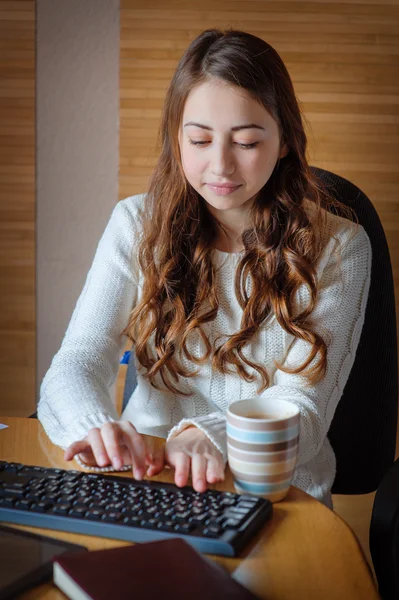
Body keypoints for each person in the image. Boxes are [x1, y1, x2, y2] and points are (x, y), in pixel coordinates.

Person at [38, 28, 371, 509]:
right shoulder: (136, 224)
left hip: (275, 493)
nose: (221, 166)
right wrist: (97, 427)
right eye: (199, 139)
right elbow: (77, 361)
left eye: (247, 142)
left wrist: (209, 433)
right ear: (178, 139)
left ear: (284, 142)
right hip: (149, 477)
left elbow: (305, 408)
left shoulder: (339, 247)